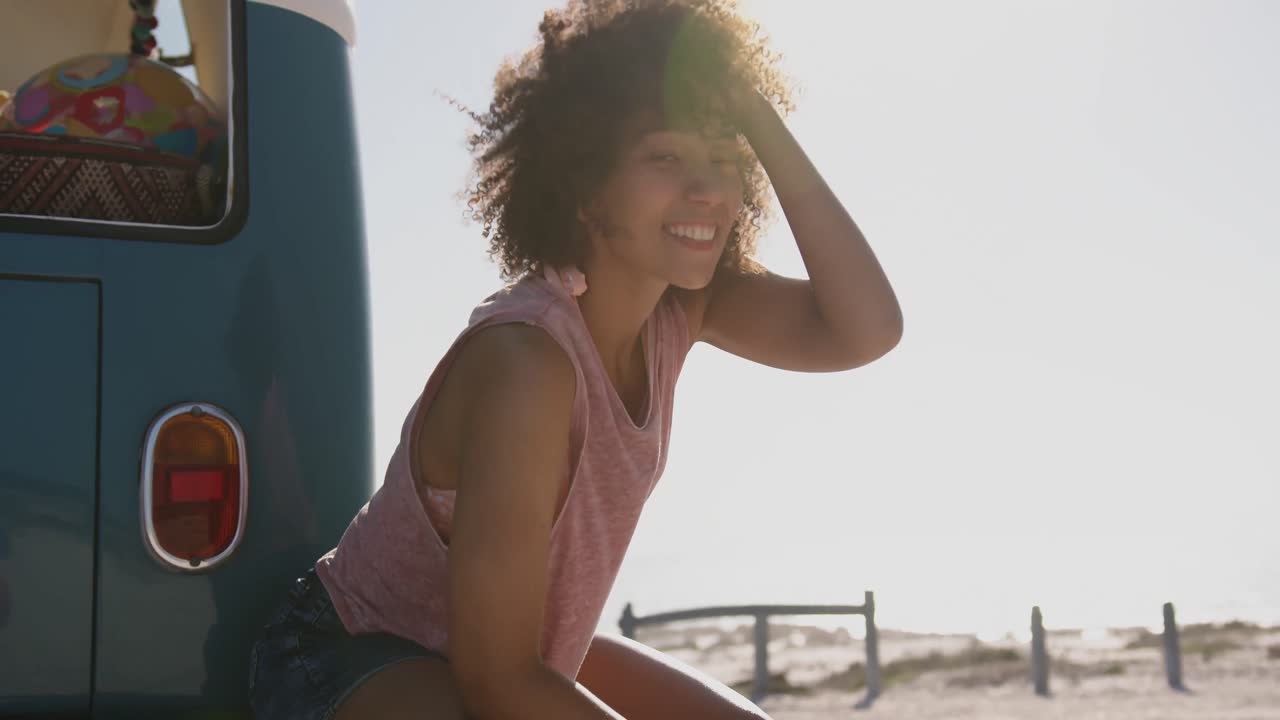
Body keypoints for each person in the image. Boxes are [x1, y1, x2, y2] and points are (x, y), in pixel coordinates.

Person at [246, 0, 903, 718]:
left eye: (724, 156)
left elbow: (864, 330)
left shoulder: (680, 311)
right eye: (666, 155)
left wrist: (756, 114)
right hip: (347, 653)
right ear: (584, 188)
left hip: (505, 648)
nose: (708, 188)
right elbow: (496, 682)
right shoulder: (527, 361)